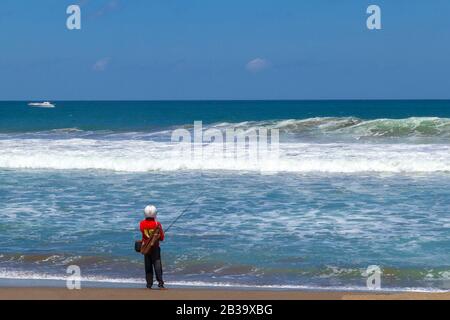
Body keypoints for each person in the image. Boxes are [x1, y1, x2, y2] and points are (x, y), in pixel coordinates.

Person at [140, 205, 165, 289]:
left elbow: (143, 234)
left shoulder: (142, 223)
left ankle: (149, 284)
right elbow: (161, 238)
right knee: (157, 265)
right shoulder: (157, 224)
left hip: (146, 247)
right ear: (155, 214)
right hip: (155, 248)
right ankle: (160, 283)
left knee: (148, 266)